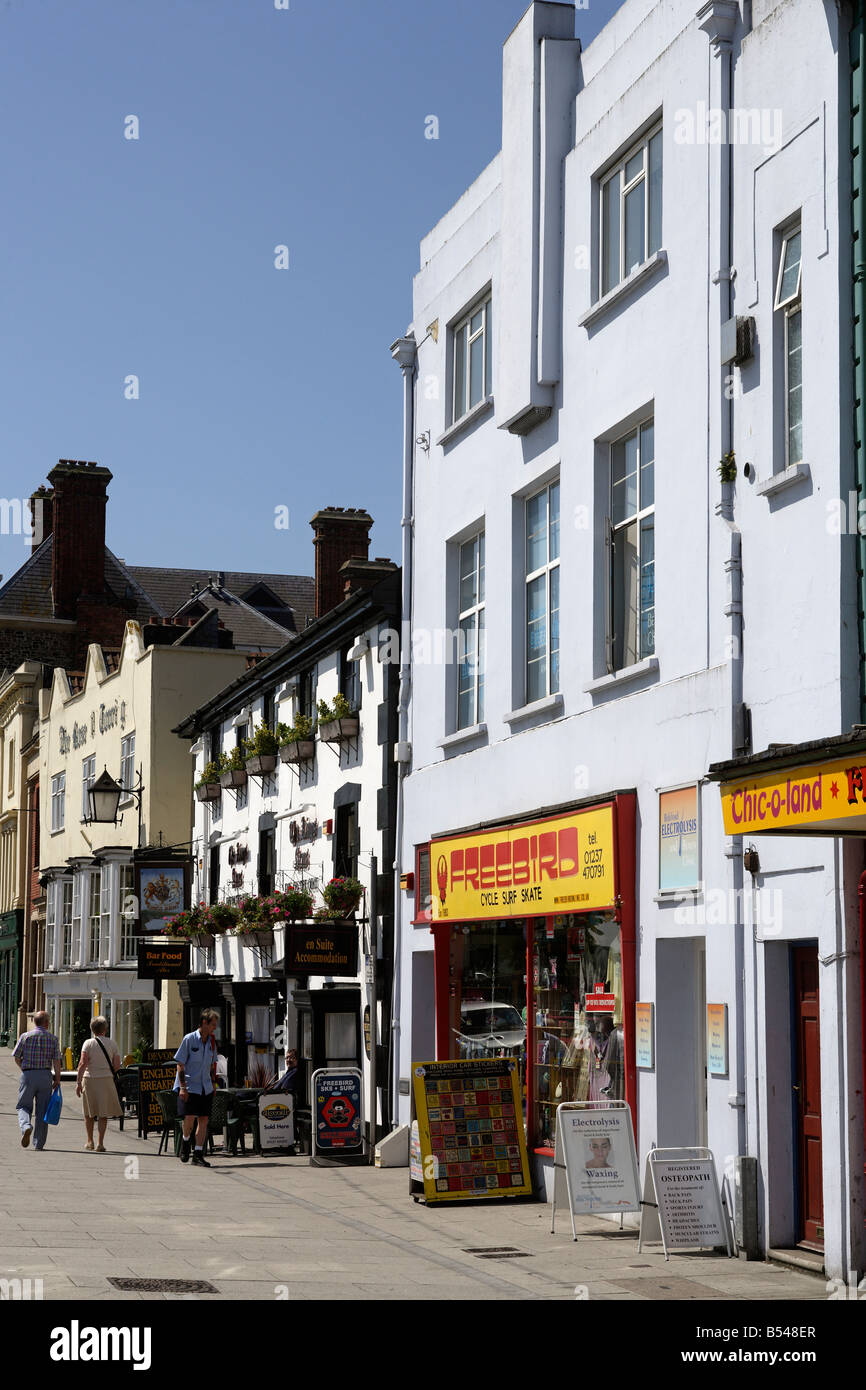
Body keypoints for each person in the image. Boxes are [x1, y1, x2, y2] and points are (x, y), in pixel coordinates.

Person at [173, 1008, 219, 1167]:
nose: (215, 1028)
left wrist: (213, 1084)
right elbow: (180, 1064)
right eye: (213, 1024)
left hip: (205, 1086)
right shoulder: (189, 1039)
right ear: (204, 1023)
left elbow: (213, 1064)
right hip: (190, 1085)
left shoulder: (212, 1041)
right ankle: (186, 1142)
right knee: (190, 1118)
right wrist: (183, 1087)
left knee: (204, 1119)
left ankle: (198, 1153)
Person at [12, 1010, 62, 1151]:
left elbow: (16, 1056)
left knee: (23, 1106)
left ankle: (26, 1126)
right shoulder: (53, 1039)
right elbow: (57, 1061)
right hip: (45, 1075)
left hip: (28, 1075)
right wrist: (57, 1079)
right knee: (43, 1110)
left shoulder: (25, 1036)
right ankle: (38, 1143)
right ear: (46, 1023)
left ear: (34, 1022)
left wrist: (24, 1069)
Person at [75, 1016, 122, 1152]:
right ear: (105, 1029)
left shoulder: (87, 1043)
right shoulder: (112, 1044)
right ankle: (100, 1143)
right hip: (106, 1080)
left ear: (92, 1029)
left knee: (89, 1112)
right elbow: (117, 1065)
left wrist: (78, 1082)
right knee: (103, 1113)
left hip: (89, 1079)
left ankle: (90, 1141)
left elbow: (83, 1063)